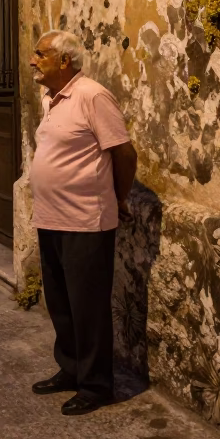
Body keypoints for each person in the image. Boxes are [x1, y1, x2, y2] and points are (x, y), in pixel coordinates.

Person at [27, 30, 137, 416]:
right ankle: (71, 369)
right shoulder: (52, 100)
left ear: (64, 61)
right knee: (61, 303)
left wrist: (118, 198)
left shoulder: (92, 95)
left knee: (88, 306)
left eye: (40, 54)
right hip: (51, 217)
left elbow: (123, 152)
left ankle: (96, 385)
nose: (32, 61)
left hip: (86, 220)